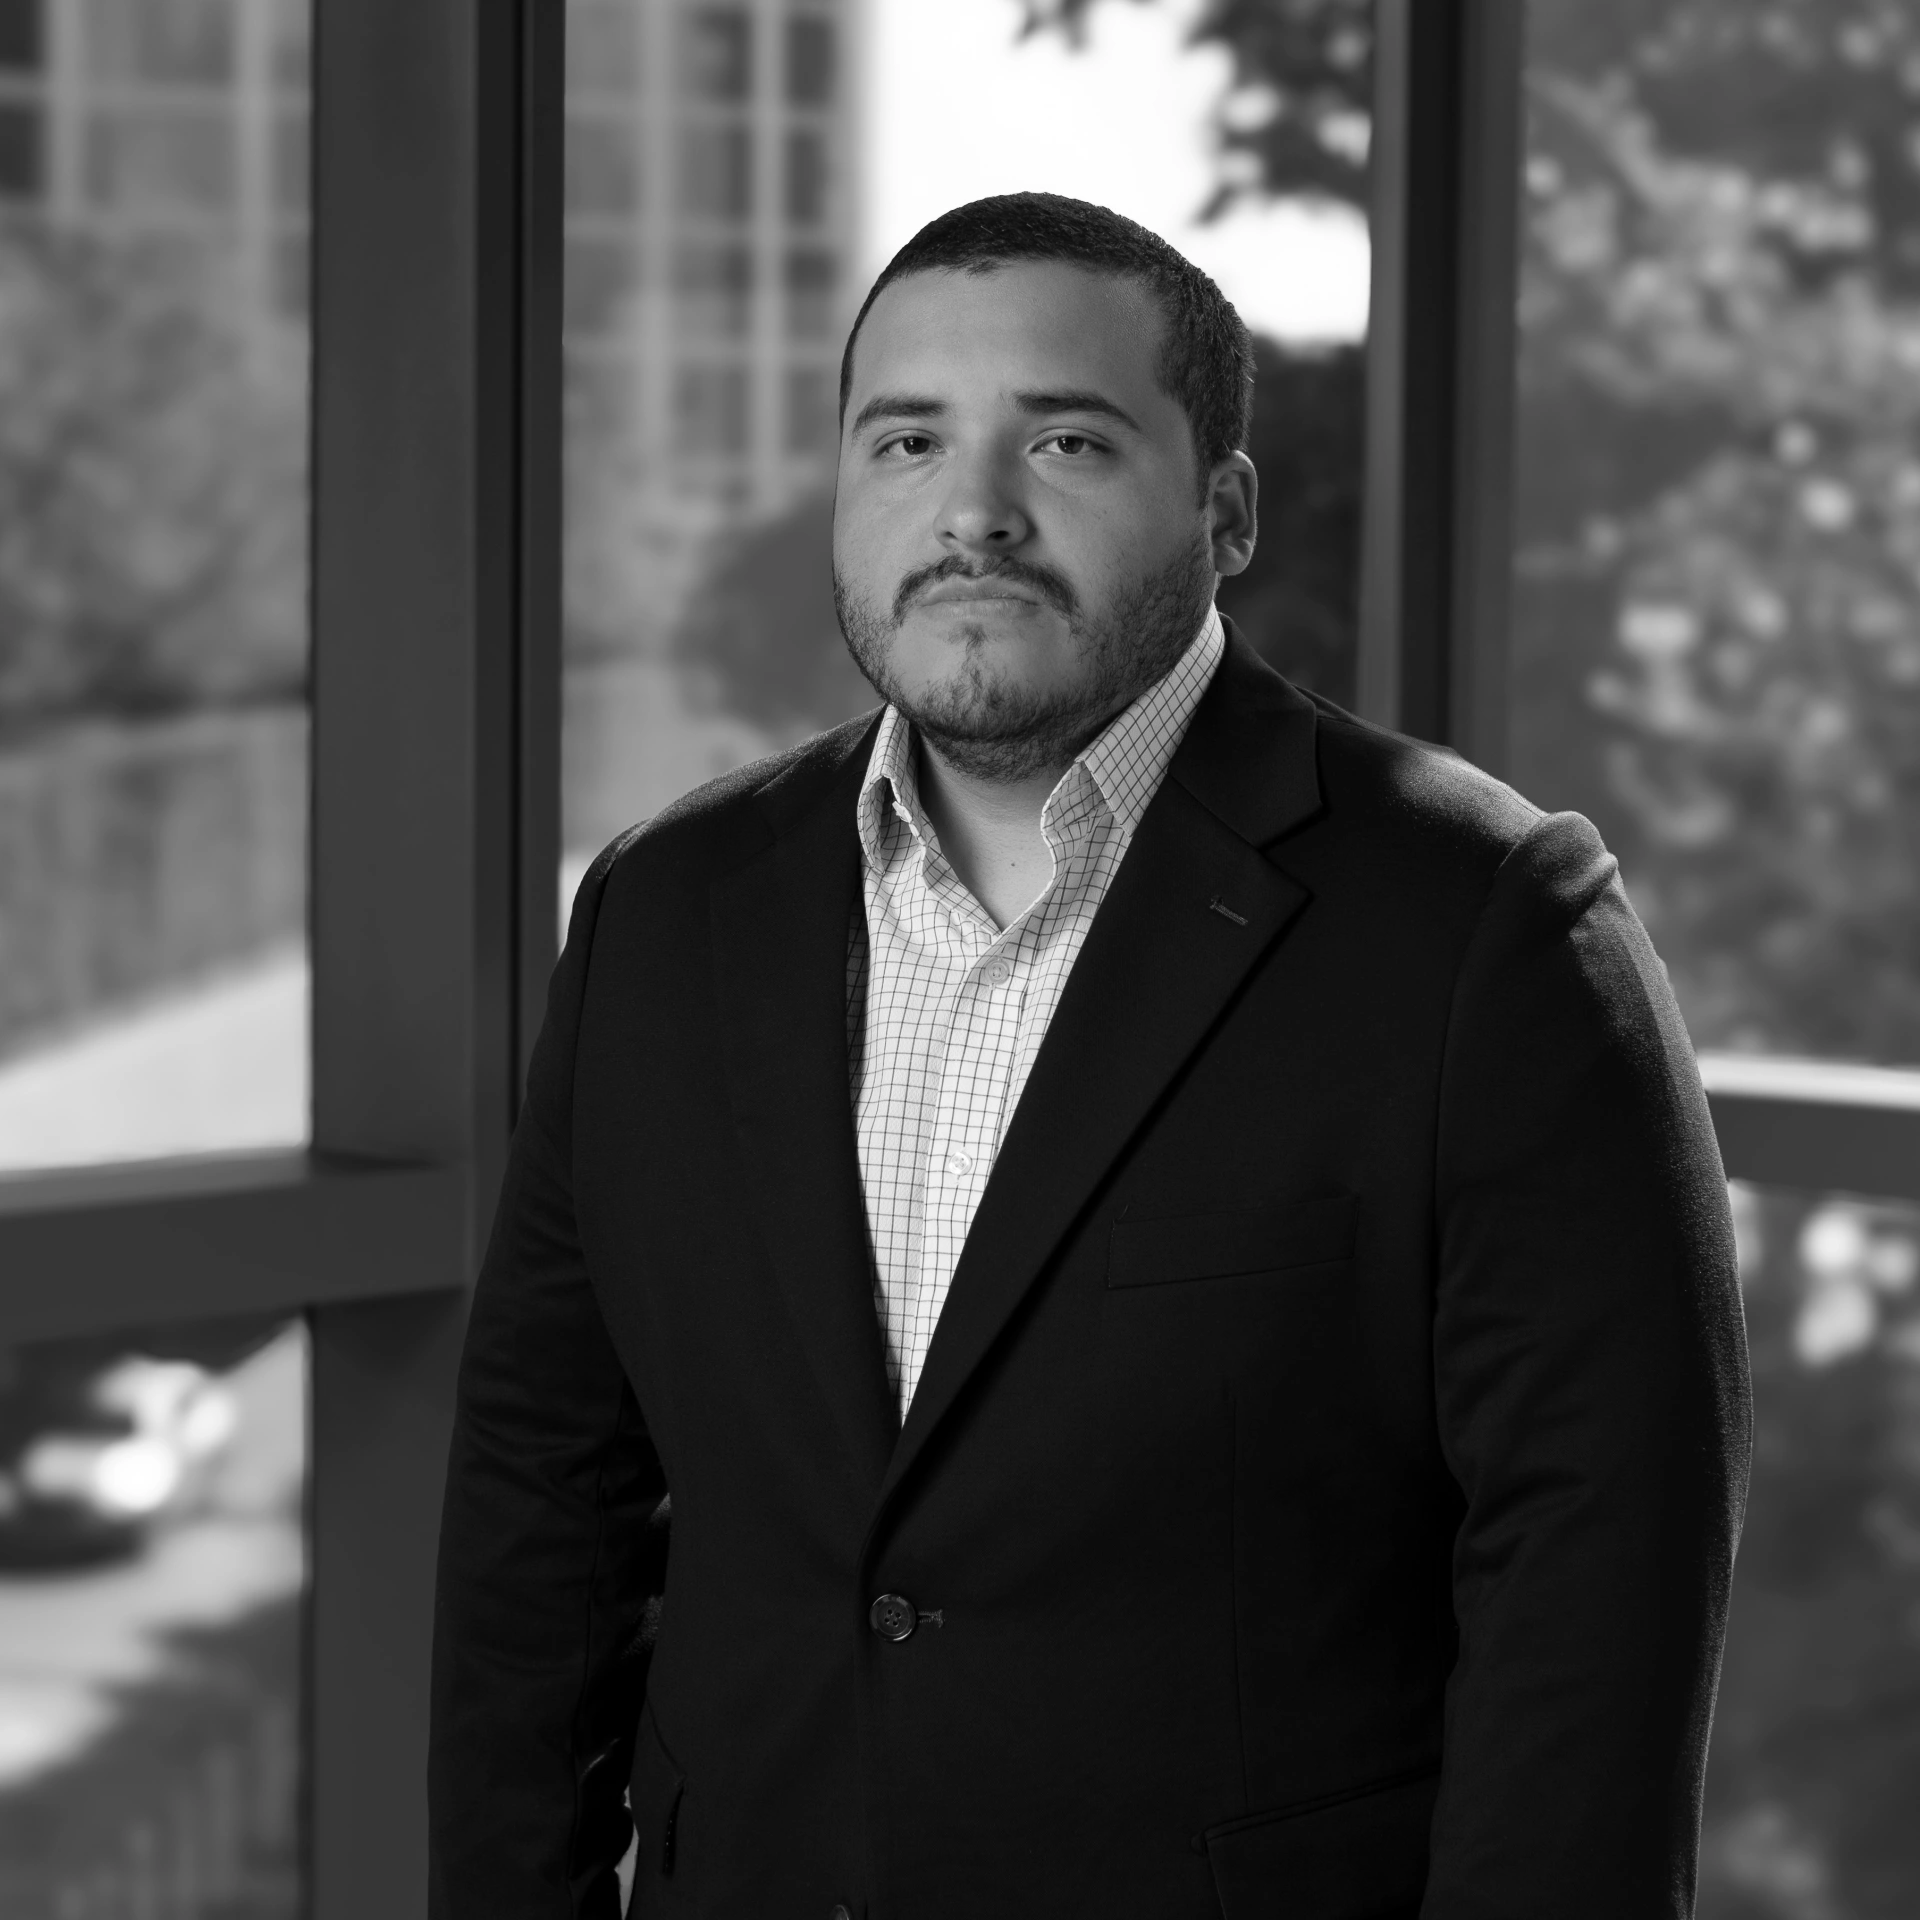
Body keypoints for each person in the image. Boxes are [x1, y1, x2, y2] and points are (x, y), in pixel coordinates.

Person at [428, 193, 1752, 1920]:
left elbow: (1597, 1594)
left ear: (1227, 510)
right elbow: (545, 1503)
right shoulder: (661, 913)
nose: (972, 511)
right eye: (907, 440)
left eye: (1064, 440)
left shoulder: (1487, 930)